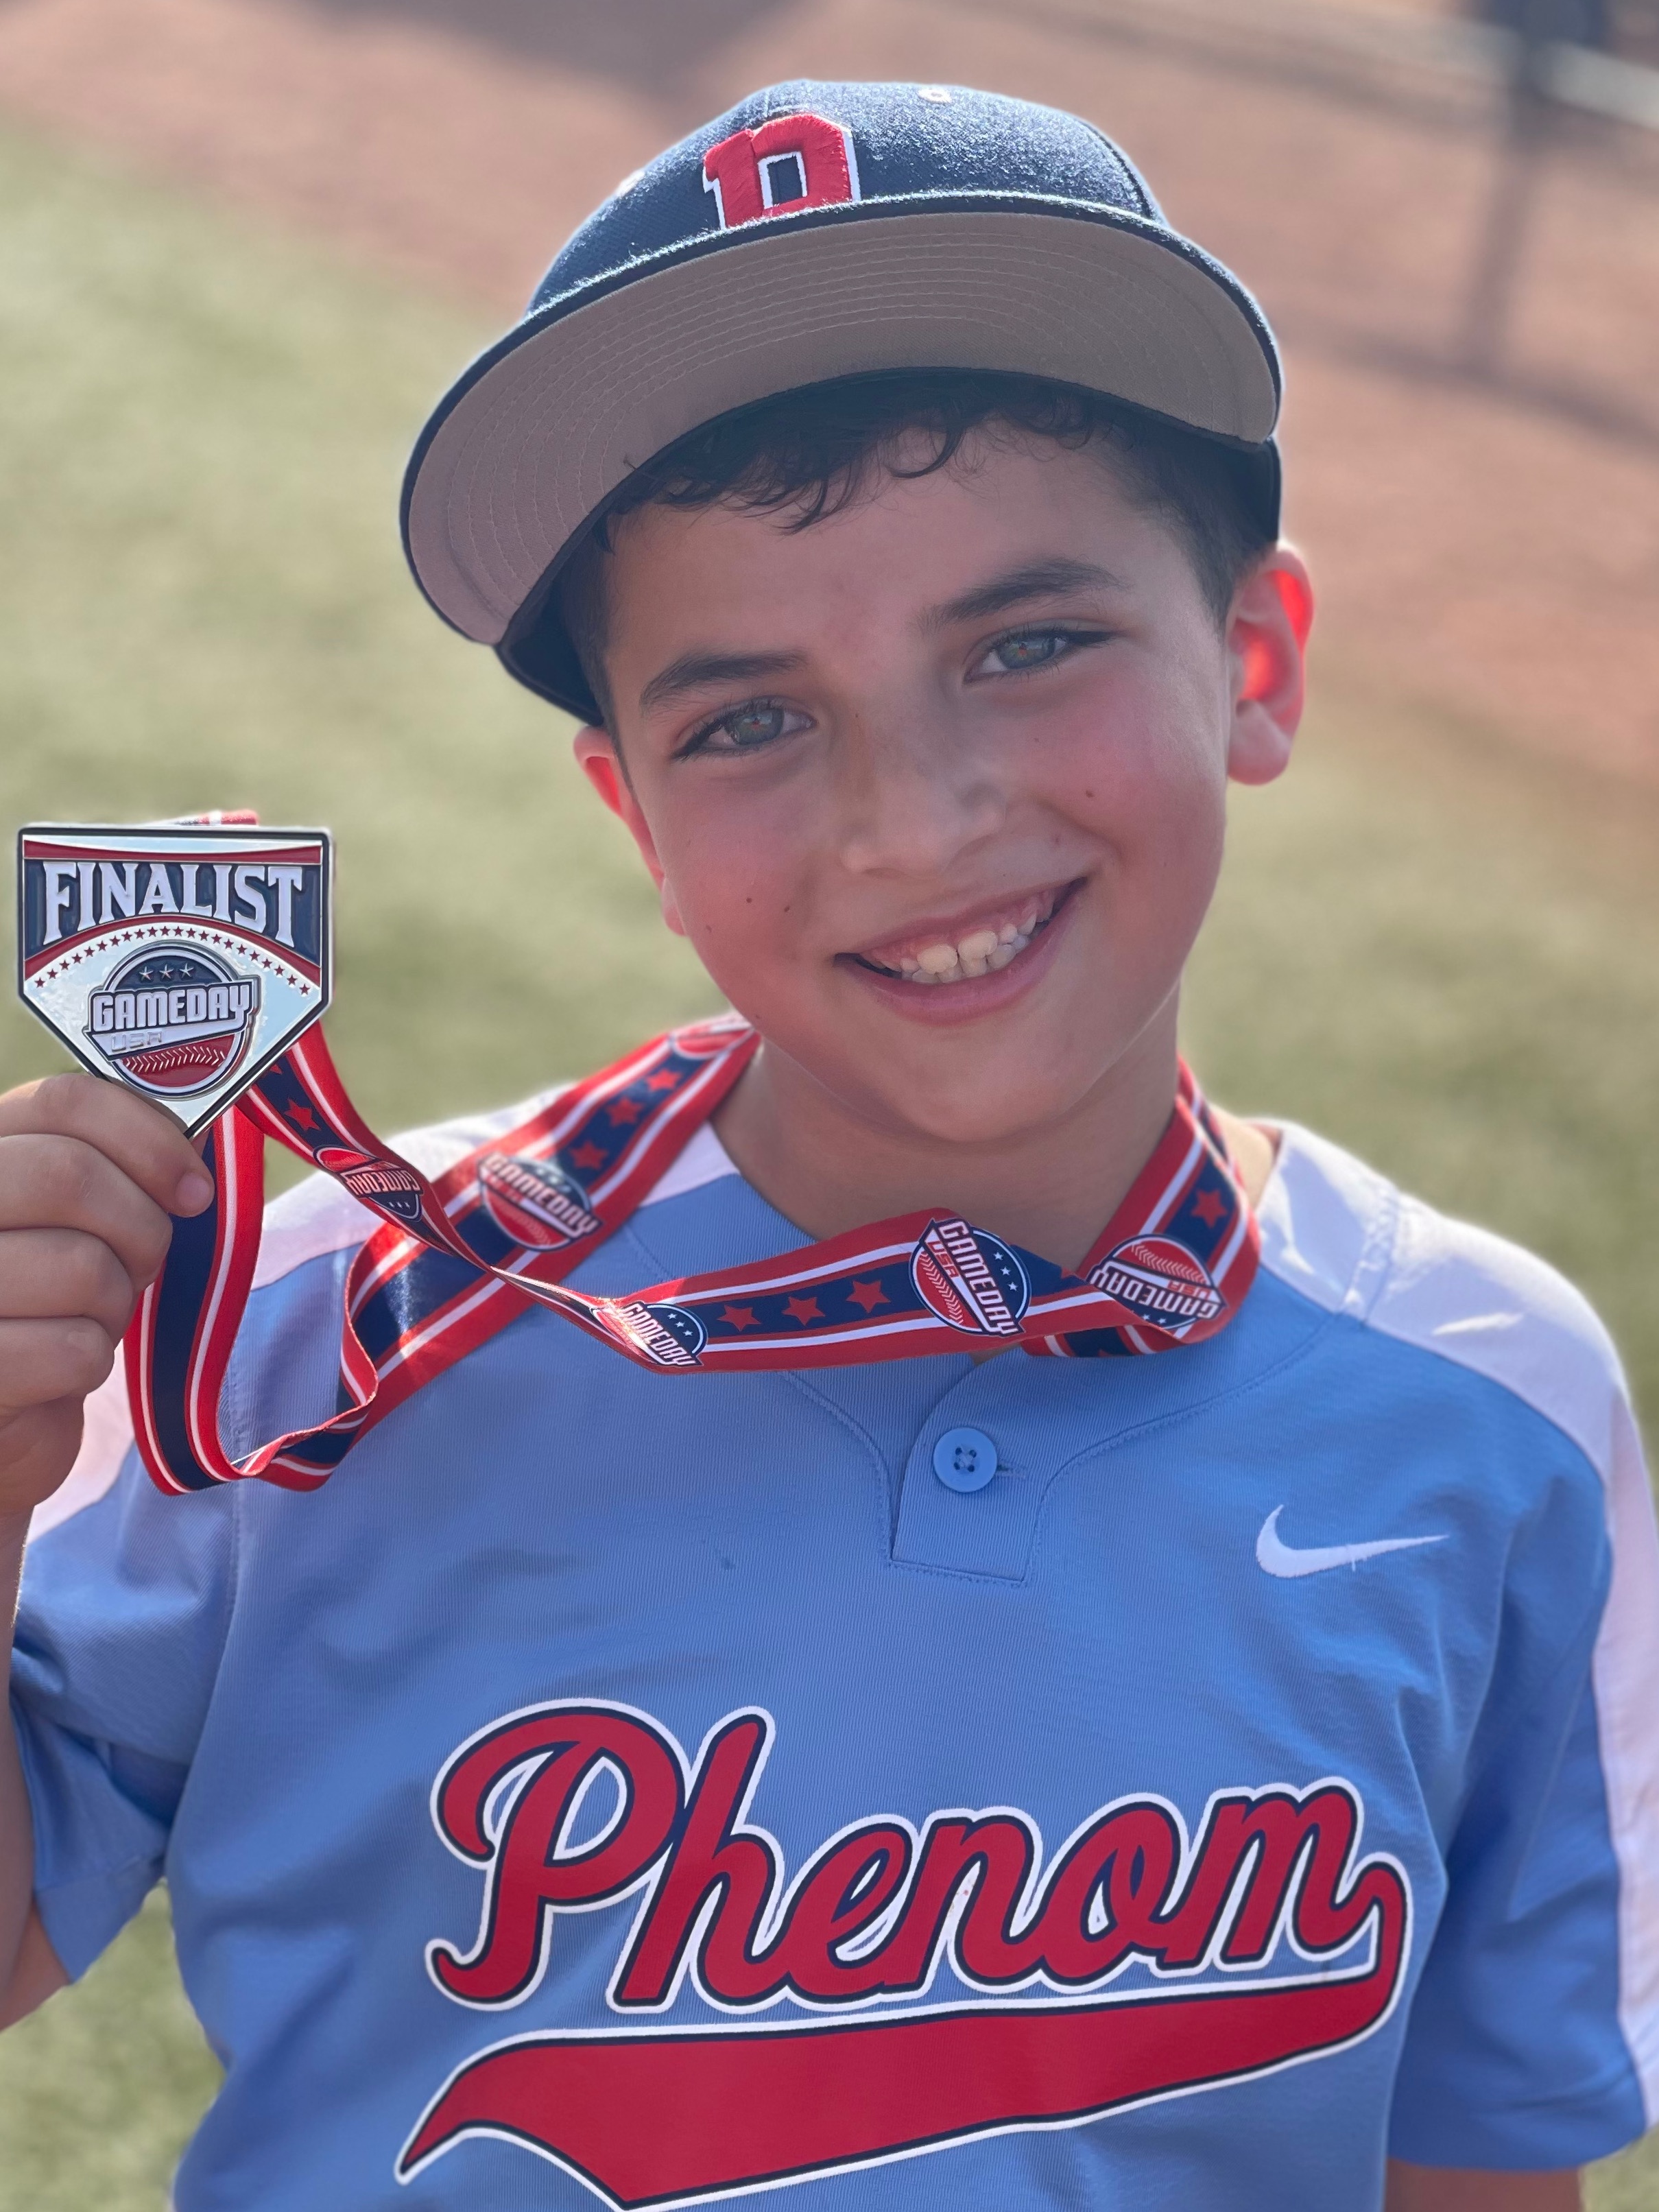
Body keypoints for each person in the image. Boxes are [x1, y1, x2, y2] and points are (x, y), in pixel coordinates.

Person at [1, 80, 1655, 2212]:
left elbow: (1480, 2157)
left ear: (1251, 661)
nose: (910, 817)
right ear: (636, 817)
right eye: (750, 719)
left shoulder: (1489, 1406)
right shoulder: (311, 1331)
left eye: (1028, 644)